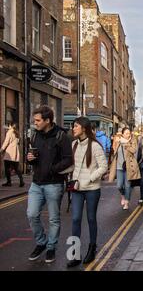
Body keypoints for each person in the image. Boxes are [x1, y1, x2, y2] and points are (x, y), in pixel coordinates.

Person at [26, 105, 73, 264]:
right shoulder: (34, 135)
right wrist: (29, 158)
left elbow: (68, 159)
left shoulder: (61, 136)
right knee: (32, 214)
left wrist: (52, 169)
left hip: (54, 184)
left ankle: (51, 247)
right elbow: (31, 155)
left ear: (47, 120)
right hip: (36, 183)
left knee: (54, 219)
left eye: (38, 120)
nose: (35, 123)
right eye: (35, 120)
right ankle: (41, 242)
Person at [67, 117, 108, 268]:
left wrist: (89, 179)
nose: (73, 128)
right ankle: (75, 254)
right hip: (77, 189)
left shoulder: (95, 146)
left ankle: (92, 248)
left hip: (92, 189)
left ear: (84, 128)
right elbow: (73, 167)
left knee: (91, 219)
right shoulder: (74, 145)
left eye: (76, 126)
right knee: (76, 219)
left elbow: (103, 167)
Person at [109, 127, 141, 210]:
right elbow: (115, 151)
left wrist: (126, 143)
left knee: (127, 185)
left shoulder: (132, 141)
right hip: (119, 167)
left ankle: (126, 202)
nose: (128, 134)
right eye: (126, 133)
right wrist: (116, 143)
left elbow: (134, 150)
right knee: (119, 185)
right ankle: (123, 195)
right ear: (122, 134)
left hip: (129, 167)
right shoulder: (118, 141)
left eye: (129, 133)